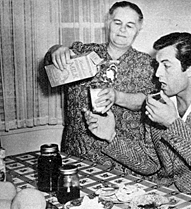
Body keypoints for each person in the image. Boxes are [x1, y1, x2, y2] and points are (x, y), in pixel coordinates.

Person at [84, 32, 191, 207]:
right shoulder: (158, 102)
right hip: (164, 197)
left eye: (166, 66)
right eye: (157, 65)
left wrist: (173, 123)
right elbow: (150, 163)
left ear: (190, 69)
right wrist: (111, 136)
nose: (157, 74)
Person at [44, 1, 158, 172]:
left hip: (118, 158)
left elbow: (149, 101)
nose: (122, 30)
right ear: (108, 23)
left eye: (130, 25)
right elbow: (51, 65)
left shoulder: (148, 64)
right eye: (117, 23)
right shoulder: (83, 52)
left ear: (139, 28)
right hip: (76, 152)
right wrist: (56, 51)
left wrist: (117, 97)